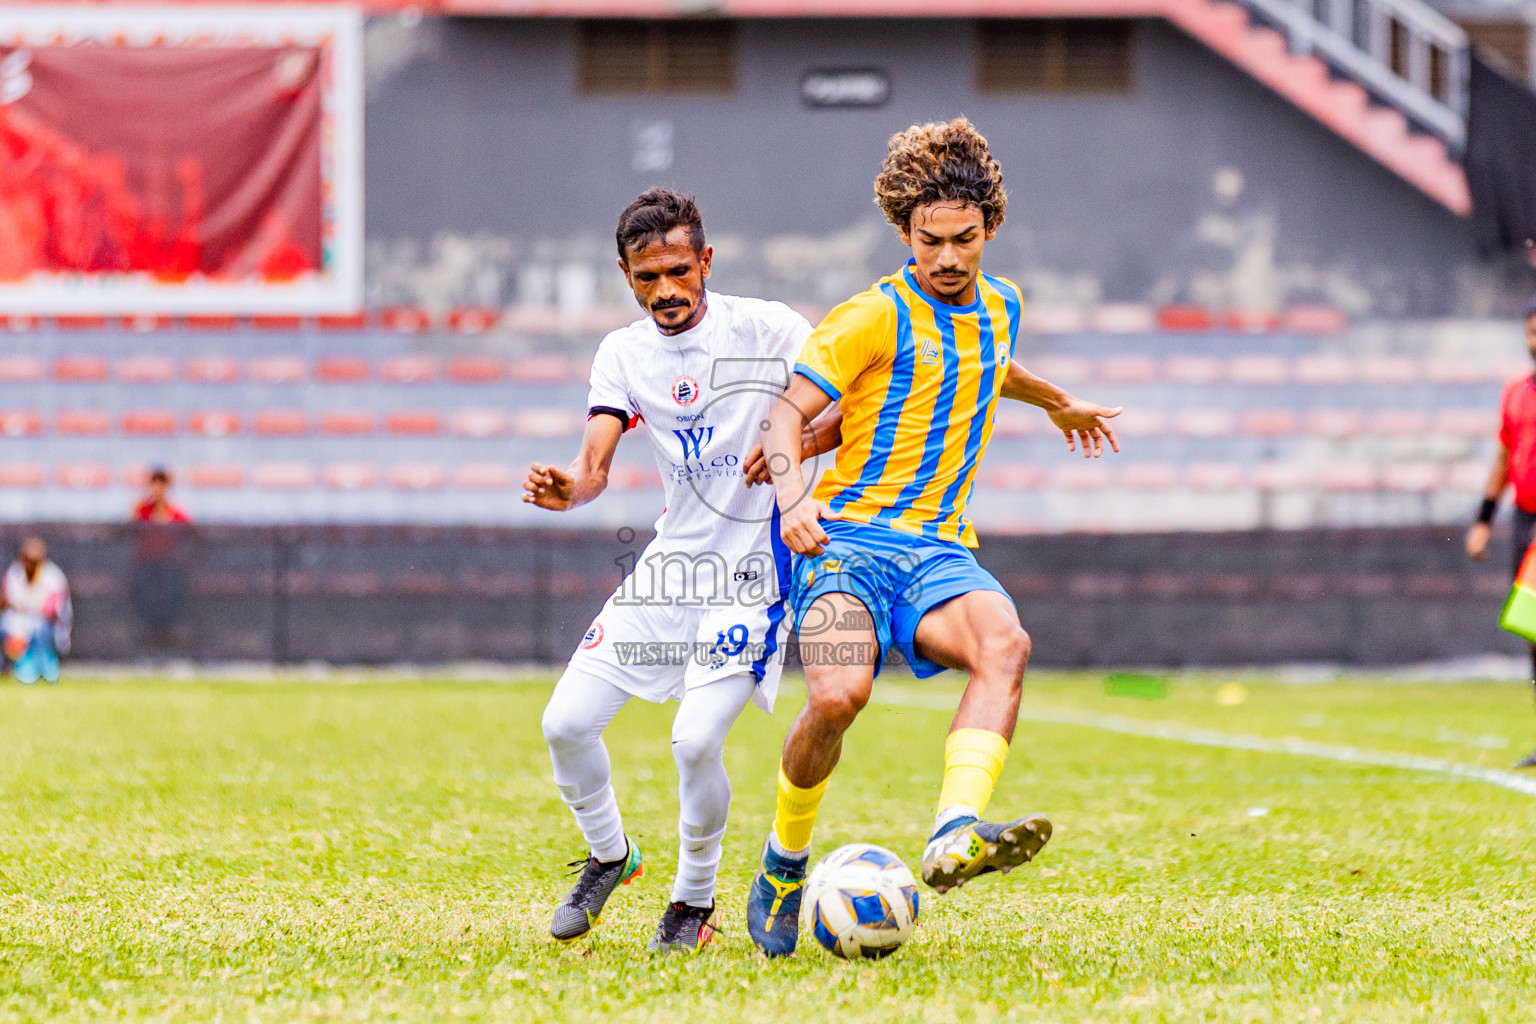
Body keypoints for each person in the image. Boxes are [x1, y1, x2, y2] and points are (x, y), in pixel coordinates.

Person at [749, 118, 1124, 956]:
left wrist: (1059, 401)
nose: (948, 258)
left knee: (1006, 644)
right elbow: (781, 415)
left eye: (964, 239)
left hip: (937, 553)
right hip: (844, 544)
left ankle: (955, 831)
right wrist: (793, 496)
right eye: (931, 241)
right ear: (904, 233)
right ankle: (784, 859)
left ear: (990, 228)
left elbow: (991, 362)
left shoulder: (1003, 304)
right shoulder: (871, 316)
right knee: (838, 697)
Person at [524, 188, 841, 951]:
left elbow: (853, 405)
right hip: (672, 569)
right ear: (627, 275)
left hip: (753, 578)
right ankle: (610, 855)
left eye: (678, 271)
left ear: (705, 261)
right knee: (564, 725)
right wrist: (572, 487)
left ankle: (692, 904)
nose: (665, 290)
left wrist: (796, 445)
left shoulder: (769, 329)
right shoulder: (623, 354)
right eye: (647, 277)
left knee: (696, 742)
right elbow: (595, 467)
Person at [1465, 295, 1536, 769]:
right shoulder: (1515, 392)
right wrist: (1483, 519)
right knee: (1533, 628)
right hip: (1527, 521)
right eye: (1531, 331)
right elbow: (1504, 457)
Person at [129, 467, 193, 647]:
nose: (157, 488)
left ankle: (165, 637)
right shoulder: (141, 510)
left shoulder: (175, 511)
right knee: (145, 597)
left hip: (169, 567)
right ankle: (150, 637)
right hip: (145, 566)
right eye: (154, 484)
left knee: (169, 597)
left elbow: (193, 533)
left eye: (161, 484)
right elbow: (127, 528)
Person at [1, 536, 72, 685]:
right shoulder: (14, 573)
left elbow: (52, 612)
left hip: (47, 629)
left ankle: (44, 668)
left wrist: (24, 630)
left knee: (37, 628)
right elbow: (6, 603)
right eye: (27, 560)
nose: (30, 564)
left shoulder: (53, 577)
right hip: (16, 626)